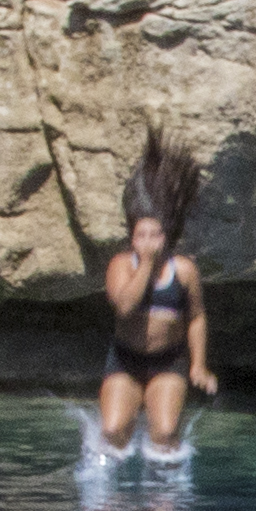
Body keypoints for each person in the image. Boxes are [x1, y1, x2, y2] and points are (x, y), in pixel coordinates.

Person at [95, 141, 215, 455]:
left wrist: (199, 366)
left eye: (155, 235)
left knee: (163, 434)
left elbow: (197, 317)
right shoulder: (121, 266)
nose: (148, 242)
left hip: (168, 362)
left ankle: (165, 498)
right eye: (141, 236)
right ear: (132, 239)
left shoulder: (184, 271)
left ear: (167, 237)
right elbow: (124, 308)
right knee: (113, 432)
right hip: (126, 360)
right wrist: (146, 265)